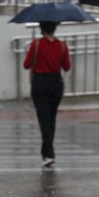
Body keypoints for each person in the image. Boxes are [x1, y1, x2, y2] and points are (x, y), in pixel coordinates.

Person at [22, 21, 71, 167]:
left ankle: (48, 154)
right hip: (56, 83)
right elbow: (67, 67)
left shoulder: (36, 44)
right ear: (54, 28)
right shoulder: (62, 45)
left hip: (40, 82)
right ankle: (47, 153)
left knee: (43, 119)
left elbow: (26, 65)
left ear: (41, 29)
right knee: (51, 117)